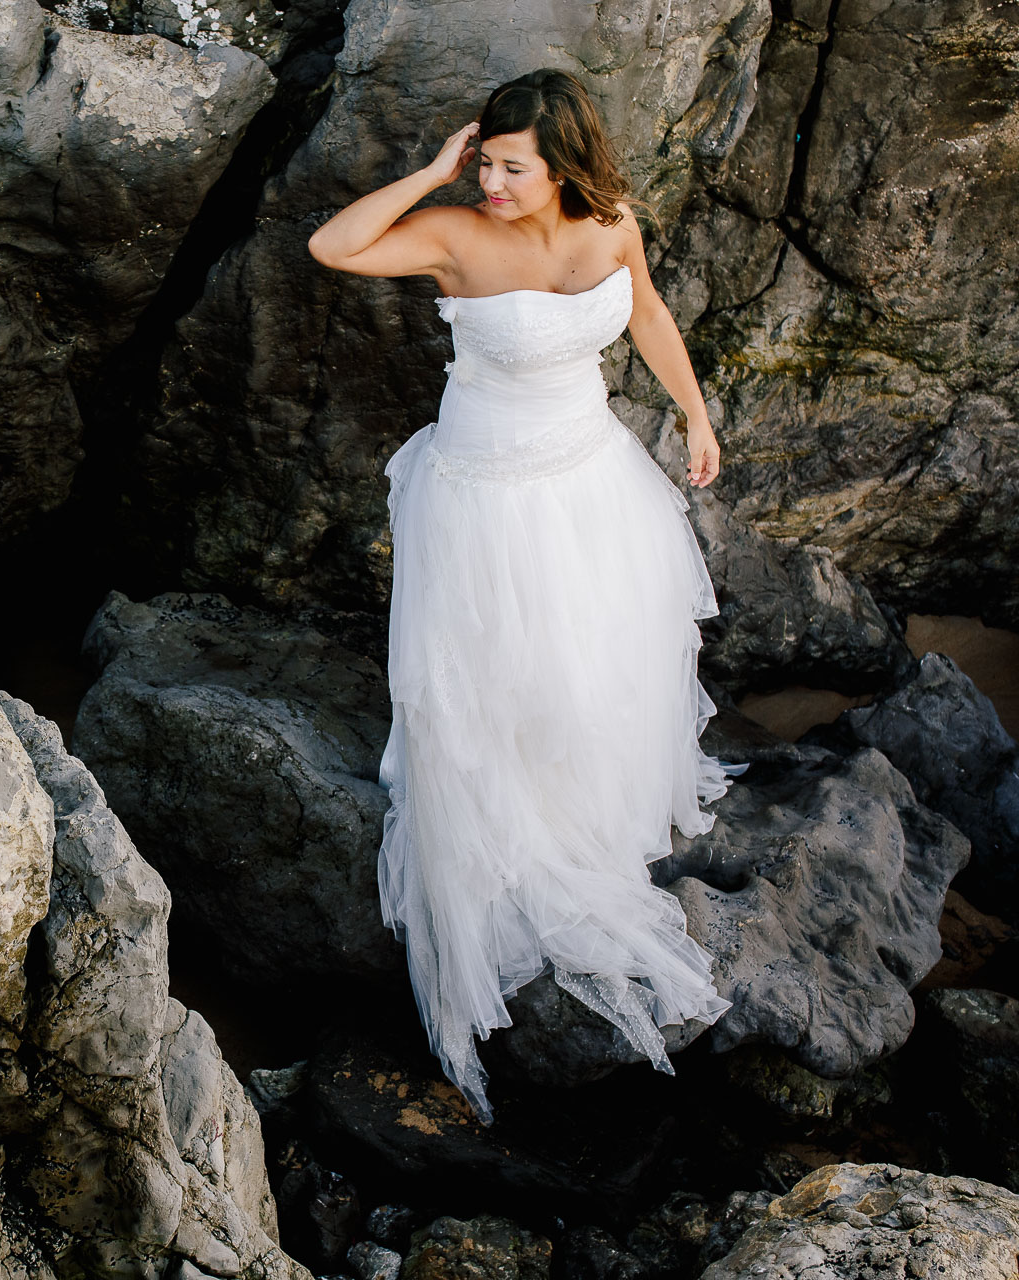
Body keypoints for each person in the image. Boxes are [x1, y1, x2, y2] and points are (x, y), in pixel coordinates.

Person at [307, 67, 747, 1122]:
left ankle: (584, 801)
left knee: (596, 653)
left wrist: (693, 413)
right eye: (485, 161)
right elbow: (334, 247)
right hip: (484, 495)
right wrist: (430, 172)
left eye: (512, 166)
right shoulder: (455, 235)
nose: (493, 181)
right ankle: (510, 837)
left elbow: (645, 312)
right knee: (492, 676)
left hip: (590, 474)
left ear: (565, 168)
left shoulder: (613, 225)